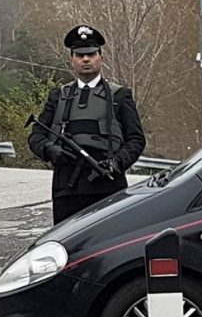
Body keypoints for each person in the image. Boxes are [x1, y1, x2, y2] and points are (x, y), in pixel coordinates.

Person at [28, 25, 146, 224]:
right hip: (67, 189)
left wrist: (117, 163)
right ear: (72, 60)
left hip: (108, 188)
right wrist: (50, 150)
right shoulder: (58, 97)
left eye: (91, 54)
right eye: (80, 55)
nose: (85, 59)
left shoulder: (119, 96)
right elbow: (36, 136)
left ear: (101, 57)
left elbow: (136, 139)